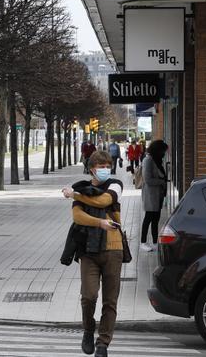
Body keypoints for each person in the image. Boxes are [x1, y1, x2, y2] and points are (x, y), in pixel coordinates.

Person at [60, 150, 123, 357]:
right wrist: (100, 222)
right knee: (88, 296)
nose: (105, 170)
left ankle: (103, 343)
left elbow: (104, 201)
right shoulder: (82, 187)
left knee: (110, 300)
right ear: (92, 169)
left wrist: (76, 195)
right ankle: (88, 329)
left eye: (107, 166)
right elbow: (78, 216)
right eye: (100, 167)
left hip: (113, 249)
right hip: (88, 249)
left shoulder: (115, 185)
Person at [139, 140, 169, 253]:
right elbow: (148, 179)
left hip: (158, 195)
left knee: (156, 219)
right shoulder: (148, 160)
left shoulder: (157, 160)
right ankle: (143, 242)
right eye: (163, 151)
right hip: (151, 194)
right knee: (148, 218)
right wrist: (161, 182)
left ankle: (155, 242)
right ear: (158, 150)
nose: (164, 153)